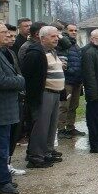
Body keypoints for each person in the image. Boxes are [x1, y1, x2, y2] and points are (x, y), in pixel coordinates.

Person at [0, 21, 25, 194]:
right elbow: (0, 80)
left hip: (2, 108)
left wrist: (16, 78)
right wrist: (20, 80)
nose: (6, 34)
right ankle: (2, 182)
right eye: (2, 32)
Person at [20, 25, 64, 168]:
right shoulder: (35, 53)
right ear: (42, 38)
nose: (56, 39)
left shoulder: (52, 51)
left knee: (51, 126)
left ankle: (46, 152)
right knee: (41, 126)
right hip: (43, 94)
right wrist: (33, 96)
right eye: (53, 36)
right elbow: (28, 75)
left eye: (57, 36)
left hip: (55, 93)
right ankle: (35, 156)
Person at [0, 25, 27, 177]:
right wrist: (19, 80)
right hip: (3, 101)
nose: (11, 39)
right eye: (8, 35)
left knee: (13, 134)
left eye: (13, 36)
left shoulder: (10, 52)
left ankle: (8, 162)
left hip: (17, 97)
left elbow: (18, 72)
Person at [57, 23, 84, 138]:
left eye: (75, 30)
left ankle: (70, 127)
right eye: (71, 30)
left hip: (77, 80)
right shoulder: (62, 43)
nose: (73, 32)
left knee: (74, 105)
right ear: (65, 31)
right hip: (67, 80)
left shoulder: (76, 45)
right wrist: (70, 70)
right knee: (64, 106)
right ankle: (61, 129)